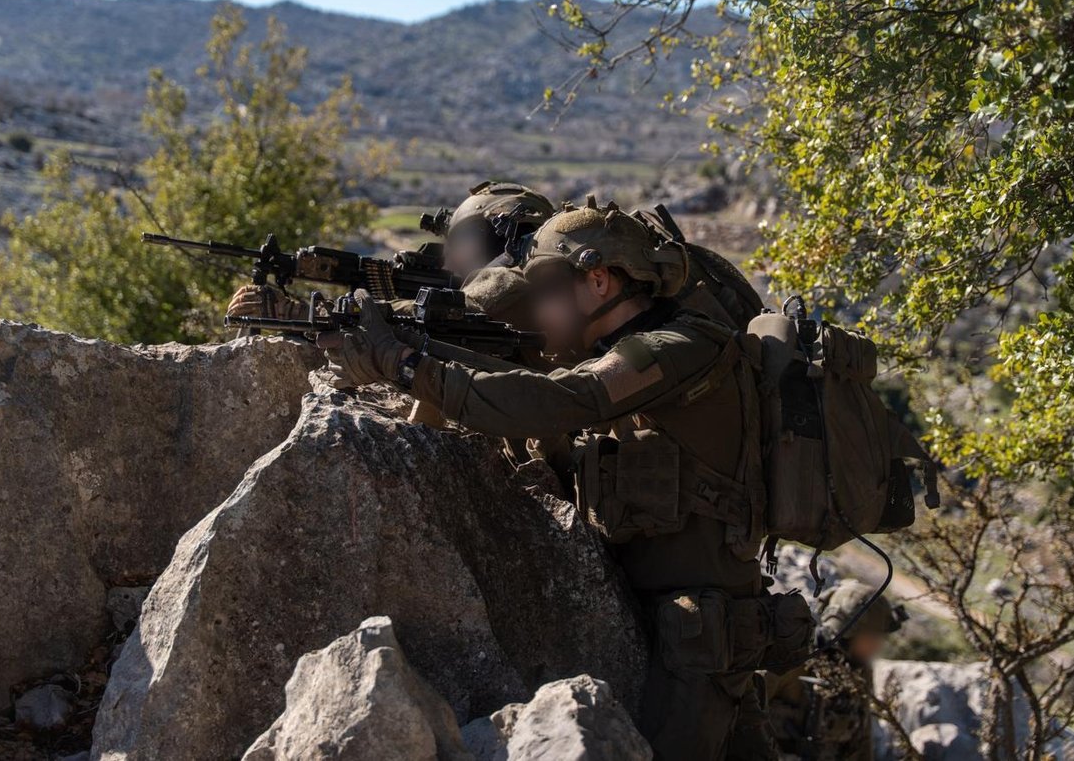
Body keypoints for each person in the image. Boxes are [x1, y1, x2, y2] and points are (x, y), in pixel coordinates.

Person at [319, 200, 811, 760]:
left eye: (548, 289)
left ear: (598, 279)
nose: (539, 309)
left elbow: (558, 401)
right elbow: (528, 384)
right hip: (668, 621)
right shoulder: (630, 349)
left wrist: (405, 365)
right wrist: (411, 357)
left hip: (699, 637)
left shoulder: (681, 347)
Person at [225, 180, 554, 332]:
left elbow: (441, 316)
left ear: (502, 236)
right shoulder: (545, 284)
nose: (448, 259)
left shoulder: (513, 284)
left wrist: (303, 312)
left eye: (464, 239)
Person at [766, 580, 906, 761]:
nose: (877, 646)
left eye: (881, 638)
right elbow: (743, 714)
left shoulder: (859, 671)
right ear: (844, 631)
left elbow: (862, 741)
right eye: (871, 637)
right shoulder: (792, 660)